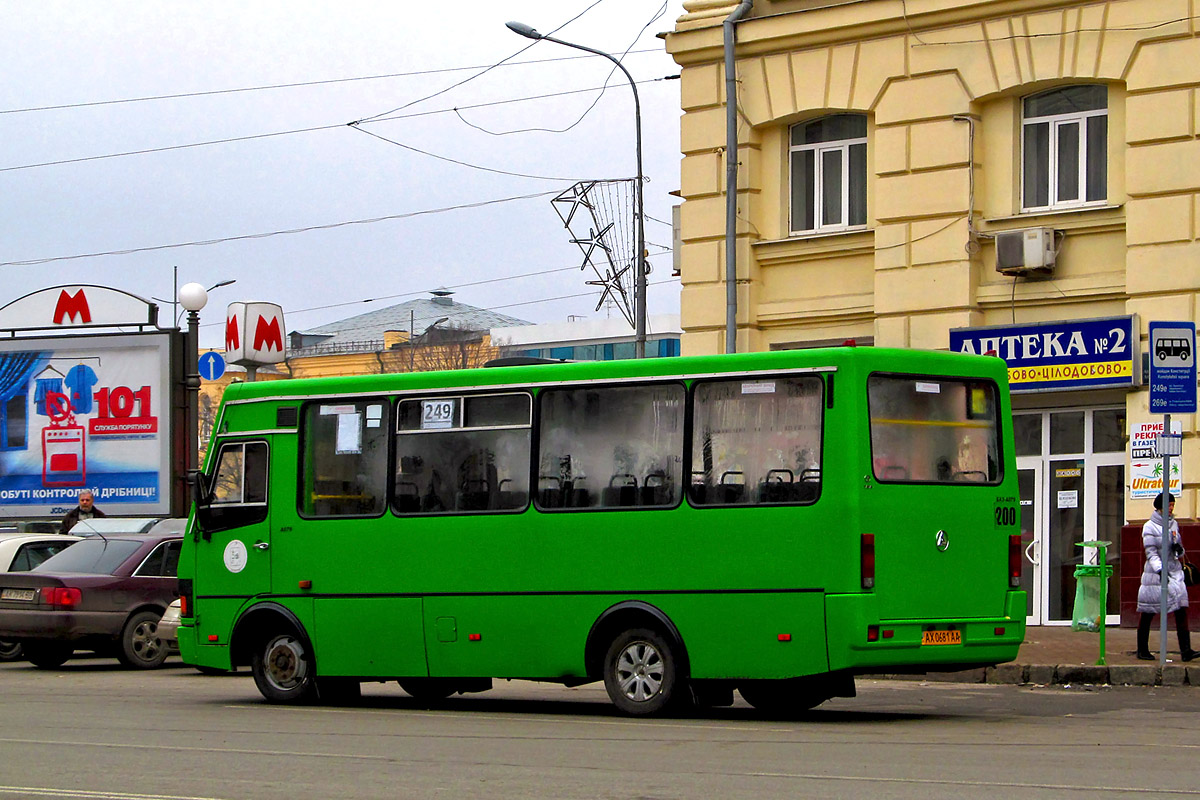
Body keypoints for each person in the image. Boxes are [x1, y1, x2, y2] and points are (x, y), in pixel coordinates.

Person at [1136, 492, 1197, 661]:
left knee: (1181, 608)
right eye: (1168, 505)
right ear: (1159, 507)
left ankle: (1186, 651)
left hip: (1174, 571)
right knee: (1149, 610)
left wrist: (1179, 549)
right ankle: (1142, 649)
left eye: (1172, 505)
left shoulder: (1173, 524)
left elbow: (1178, 547)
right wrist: (1160, 570)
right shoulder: (1149, 527)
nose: (1171, 508)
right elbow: (1151, 552)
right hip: (1155, 575)